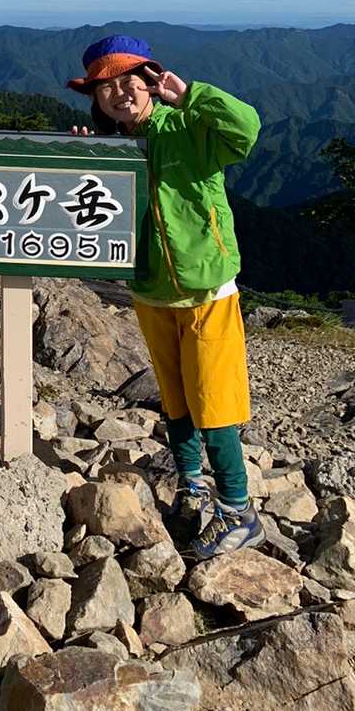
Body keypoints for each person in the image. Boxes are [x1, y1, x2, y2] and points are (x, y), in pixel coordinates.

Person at [67, 34, 264, 560]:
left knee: (214, 405)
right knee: (175, 401)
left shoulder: (190, 126)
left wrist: (193, 95)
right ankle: (191, 486)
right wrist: (77, 159)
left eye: (129, 81)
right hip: (150, 290)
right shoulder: (112, 148)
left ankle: (239, 511)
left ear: (150, 81)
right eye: (105, 87)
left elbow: (246, 129)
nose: (119, 94)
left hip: (207, 290)